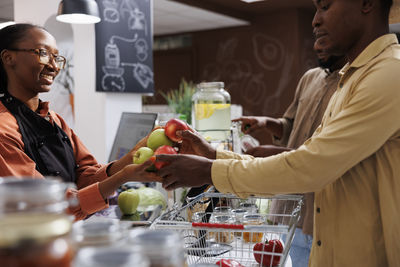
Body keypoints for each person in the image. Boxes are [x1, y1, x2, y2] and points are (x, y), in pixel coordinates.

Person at [154, 0, 400, 266]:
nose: (315, 20)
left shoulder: (389, 74)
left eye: (325, 6)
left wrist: (209, 170)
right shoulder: (350, 79)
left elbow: (310, 166)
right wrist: (214, 156)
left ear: (367, 3)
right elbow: (310, 158)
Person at [0, 23, 157, 220]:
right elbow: (44, 204)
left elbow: (85, 174)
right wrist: (123, 176)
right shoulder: (3, 130)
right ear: (8, 58)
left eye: (57, 57)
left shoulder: (54, 119)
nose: (54, 66)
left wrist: (130, 159)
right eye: (43, 53)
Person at [232, 48, 346, 267]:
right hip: (285, 210)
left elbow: (328, 155)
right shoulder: (310, 78)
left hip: (318, 217)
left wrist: (275, 155)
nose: (318, 46)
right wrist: (267, 123)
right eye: (316, 41)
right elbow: (291, 125)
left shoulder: (352, 85)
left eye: (325, 39)